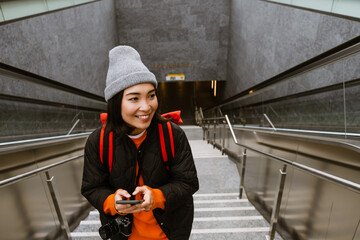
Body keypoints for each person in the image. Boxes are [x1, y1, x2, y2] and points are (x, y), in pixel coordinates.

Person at [81, 45, 199, 240]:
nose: (146, 107)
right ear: (116, 102)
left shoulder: (172, 134)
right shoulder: (99, 141)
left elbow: (188, 182)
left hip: (170, 234)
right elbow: (92, 187)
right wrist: (112, 202)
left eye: (151, 96)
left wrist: (157, 197)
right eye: (134, 98)